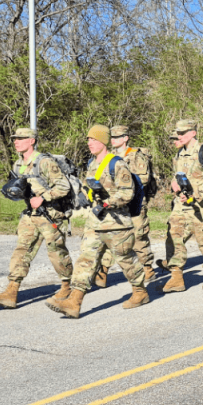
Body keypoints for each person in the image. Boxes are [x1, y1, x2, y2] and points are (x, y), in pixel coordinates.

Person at [46, 125, 148, 318]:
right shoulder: (92, 163)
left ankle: (140, 291)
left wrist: (109, 202)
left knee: (126, 260)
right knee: (86, 260)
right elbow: (90, 187)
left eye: (93, 140)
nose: (89, 143)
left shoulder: (117, 164)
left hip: (117, 223)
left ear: (103, 141)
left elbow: (127, 192)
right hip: (95, 222)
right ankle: (74, 302)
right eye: (88, 140)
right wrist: (85, 195)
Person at [0, 127, 73, 309]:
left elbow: (64, 186)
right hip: (31, 214)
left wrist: (44, 197)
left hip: (51, 214)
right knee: (22, 250)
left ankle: (67, 286)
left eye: (21, 138)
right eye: (15, 138)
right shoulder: (18, 164)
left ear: (31, 141)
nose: (16, 141)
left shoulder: (45, 162)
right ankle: (11, 291)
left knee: (56, 251)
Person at [161, 120, 203, 291]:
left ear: (193, 133)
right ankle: (176, 276)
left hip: (201, 206)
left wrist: (195, 195)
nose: (179, 136)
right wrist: (174, 185)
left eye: (182, 133)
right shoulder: (179, 154)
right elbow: (179, 175)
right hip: (181, 204)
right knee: (174, 235)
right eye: (178, 133)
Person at [94, 125, 157, 286]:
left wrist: (124, 181)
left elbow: (144, 178)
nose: (113, 140)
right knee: (110, 236)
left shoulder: (136, 156)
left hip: (135, 202)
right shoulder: (108, 157)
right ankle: (103, 271)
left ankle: (147, 267)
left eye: (117, 137)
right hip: (115, 203)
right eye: (112, 138)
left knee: (138, 236)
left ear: (125, 138)